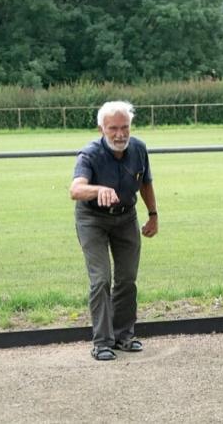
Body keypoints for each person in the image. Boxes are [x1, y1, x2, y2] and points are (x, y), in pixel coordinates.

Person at [70, 101, 159, 361]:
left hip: (126, 217)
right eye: (113, 129)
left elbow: (146, 183)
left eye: (125, 128)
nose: (120, 134)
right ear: (102, 129)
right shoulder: (89, 154)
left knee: (127, 278)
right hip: (92, 219)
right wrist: (98, 190)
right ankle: (102, 342)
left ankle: (123, 336)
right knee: (100, 279)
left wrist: (153, 215)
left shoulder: (139, 148)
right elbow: (75, 190)